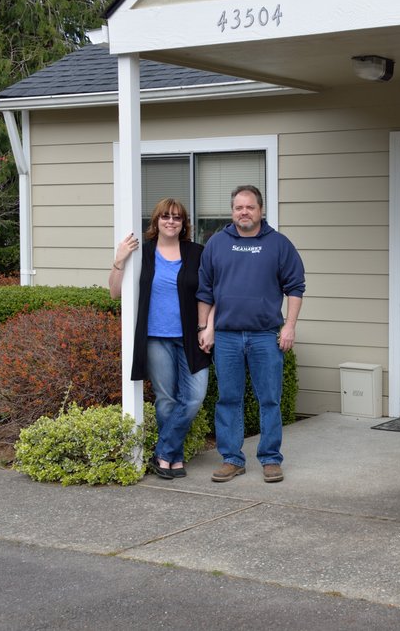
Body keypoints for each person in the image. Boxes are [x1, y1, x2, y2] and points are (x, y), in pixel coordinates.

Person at [197, 184, 305, 484]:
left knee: (269, 399)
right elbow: (205, 290)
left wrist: (289, 325)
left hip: (264, 336)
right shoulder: (216, 244)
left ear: (261, 210)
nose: (244, 212)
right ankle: (232, 459)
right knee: (228, 399)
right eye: (238, 207)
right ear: (232, 211)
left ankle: (270, 459)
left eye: (250, 207)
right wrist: (204, 327)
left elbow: (295, 287)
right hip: (226, 337)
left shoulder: (279, 244)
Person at [109, 198, 213, 480]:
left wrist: (209, 327)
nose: (171, 221)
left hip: (192, 337)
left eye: (177, 218)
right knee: (166, 400)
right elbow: (115, 293)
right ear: (156, 221)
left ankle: (163, 453)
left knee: (194, 397)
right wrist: (119, 259)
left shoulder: (197, 253)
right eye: (165, 216)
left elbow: (213, 293)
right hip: (156, 337)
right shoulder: (143, 253)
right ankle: (173, 459)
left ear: (184, 224)